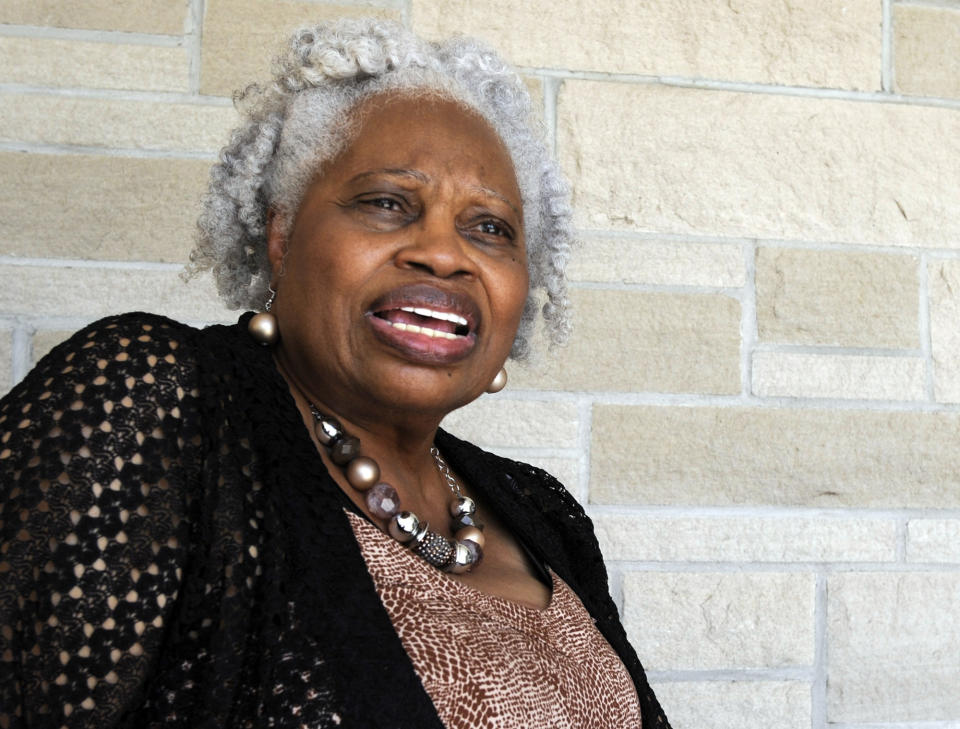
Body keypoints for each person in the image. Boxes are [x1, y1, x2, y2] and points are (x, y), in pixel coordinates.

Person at [0, 19, 671, 729]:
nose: (444, 254)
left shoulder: (543, 512)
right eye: (387, 202)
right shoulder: (162, 407)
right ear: (281, 236)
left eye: (490, 228)